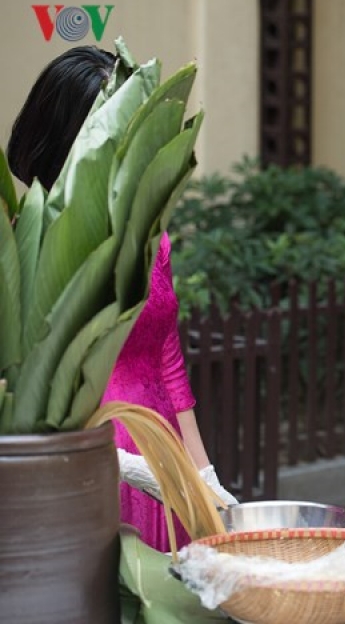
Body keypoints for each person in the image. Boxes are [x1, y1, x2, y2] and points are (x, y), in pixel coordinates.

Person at [6, 45, 237, 553]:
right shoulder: (26, 249)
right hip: (84, 468)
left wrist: (204, 475)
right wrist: (115, 460)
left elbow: (166, 358)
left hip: (163, 462)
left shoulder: (151, 236)